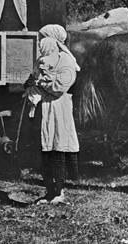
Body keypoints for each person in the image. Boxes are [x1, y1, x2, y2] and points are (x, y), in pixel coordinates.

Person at [27, 24, 80, 205]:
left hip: (58, 108)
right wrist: (32, 82)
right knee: (45, 151)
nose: (41, 42)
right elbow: (32, 77)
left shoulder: (66, 61)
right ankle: (49, 191)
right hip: (43, 109)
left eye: (44, 38)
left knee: (57, 145)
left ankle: (59, 192)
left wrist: (40, 83)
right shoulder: (42, 59)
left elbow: (60, 86)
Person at [23, 37, 60, 118]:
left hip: (48, 90)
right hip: (39, 86)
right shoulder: (41, 59)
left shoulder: (53, 60)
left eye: (42, 48)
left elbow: (49, 76)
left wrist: (39, 81)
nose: (40, 50)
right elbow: (35, 73)